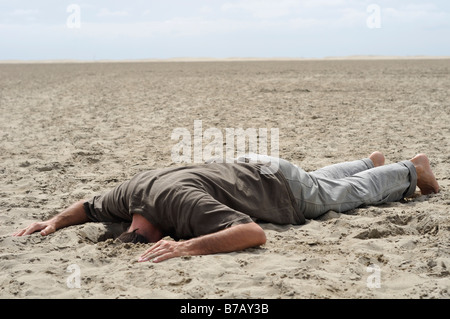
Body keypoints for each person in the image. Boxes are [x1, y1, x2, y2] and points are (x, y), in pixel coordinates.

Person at [13, 152, 439, 263]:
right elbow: (86, 208)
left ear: (148, 229)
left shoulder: (182, 208)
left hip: (279, 189)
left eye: (160, 240)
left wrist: (187, 248)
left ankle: (409, 170)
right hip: (259, 168)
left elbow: (253, 233)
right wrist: (52, 222)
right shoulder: (127, 195)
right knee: (315, 182)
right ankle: (368, 163)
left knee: (328, 198)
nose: (167, 241)